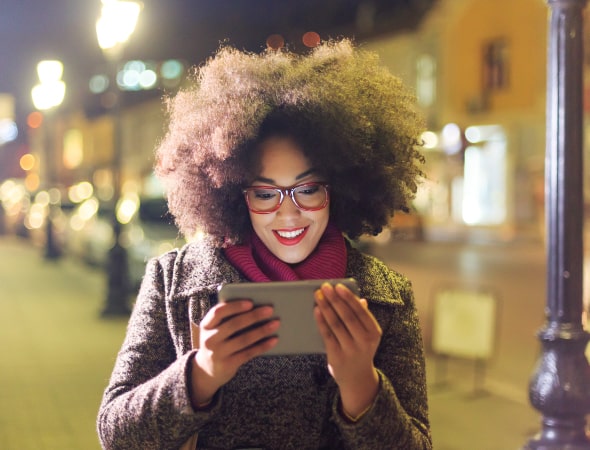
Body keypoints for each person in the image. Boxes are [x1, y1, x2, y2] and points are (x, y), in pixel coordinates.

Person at [97, 39, 431, 450]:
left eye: (307, 189)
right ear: (234, 193)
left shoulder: (387, 297)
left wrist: (362, 386)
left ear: (342, 187)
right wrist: (200, 375)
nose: (288, 215)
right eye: (265, 193)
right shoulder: (172, 281)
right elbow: (115, 434)